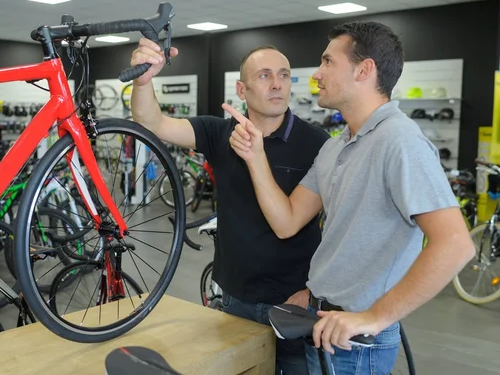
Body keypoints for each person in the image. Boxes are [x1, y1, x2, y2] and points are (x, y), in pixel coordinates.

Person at [226, 20, 475, 375]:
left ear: (364, 69)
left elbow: (455, 244)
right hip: (322, 323)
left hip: (356, 344)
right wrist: (256, 156)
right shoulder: (336, 147)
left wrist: (375, 317)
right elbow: (287, 221)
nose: (316, 74)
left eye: (328, 62)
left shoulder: (400, 141)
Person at [129, 39, 330, 374]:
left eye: (284, 75)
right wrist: (143, 81)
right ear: (242, 88)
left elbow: (336, 226)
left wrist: (314, 291)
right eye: (264, 75)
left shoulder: (317, 143)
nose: (277, 83)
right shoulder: (220, 133)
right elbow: (152, 123)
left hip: (295, 303)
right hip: (236, 299)